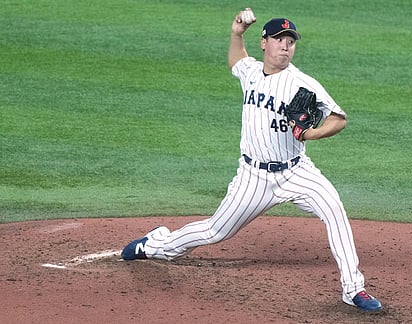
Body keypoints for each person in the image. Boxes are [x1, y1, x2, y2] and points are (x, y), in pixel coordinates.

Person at [121, 9, 382, 312]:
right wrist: (236, 33)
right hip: (253, 177)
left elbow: (339, 118)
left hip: (296, 171)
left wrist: (312, 134)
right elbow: (236, 60)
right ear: (264, 43)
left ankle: (354, 288)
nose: (285, 46)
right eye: (278, 39)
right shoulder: (251, 72)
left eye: (290, 41)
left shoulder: (303, 83)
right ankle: (156, 244)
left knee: (333, 208)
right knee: (215, 231)